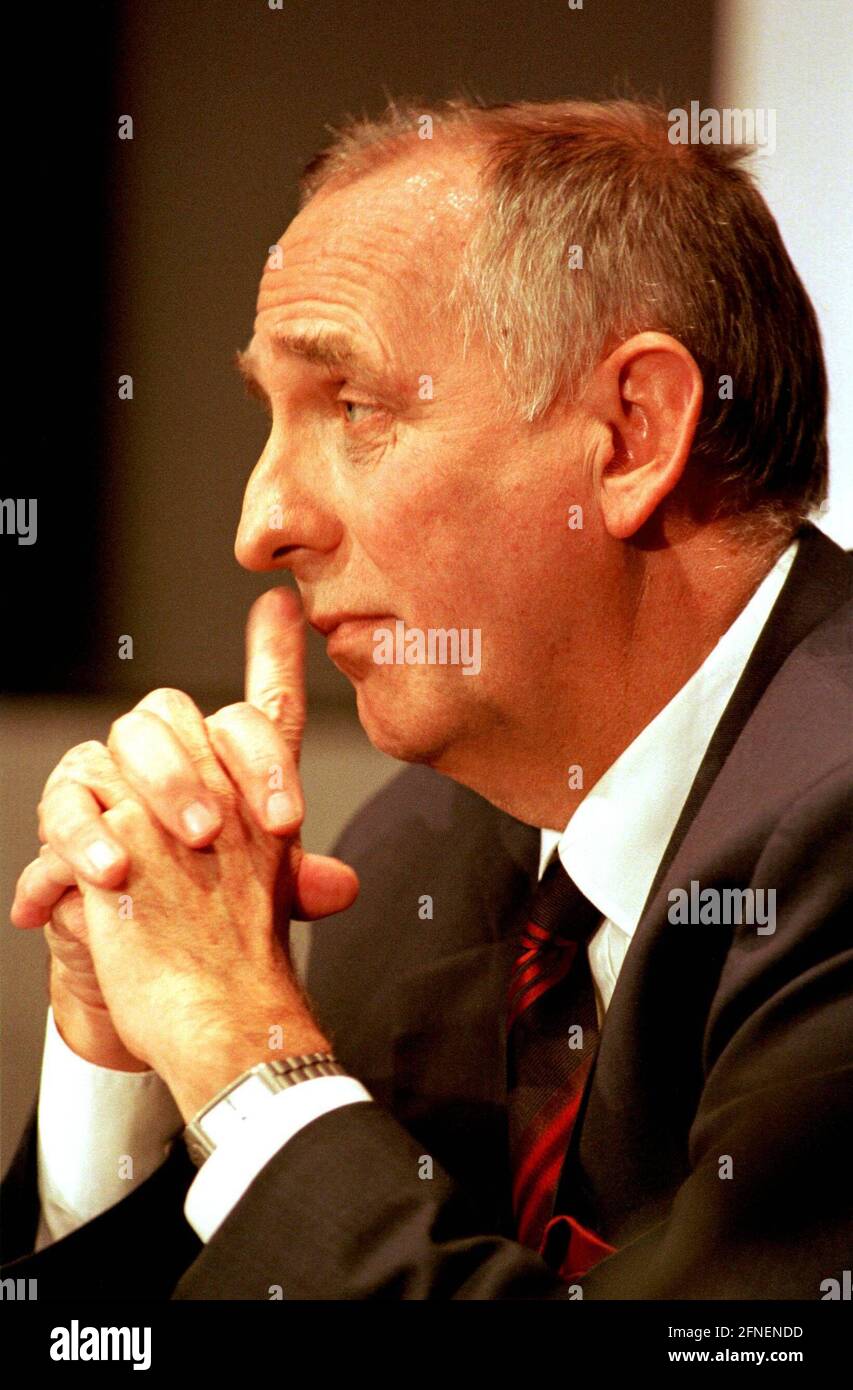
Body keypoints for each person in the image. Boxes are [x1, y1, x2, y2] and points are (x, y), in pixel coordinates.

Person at [2, 97, 851, 1300]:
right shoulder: (406, 864)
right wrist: (129, 1041)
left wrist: (247, 1055)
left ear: (629, 434)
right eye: (270, 419)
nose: (260, 526)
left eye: (353, 409)